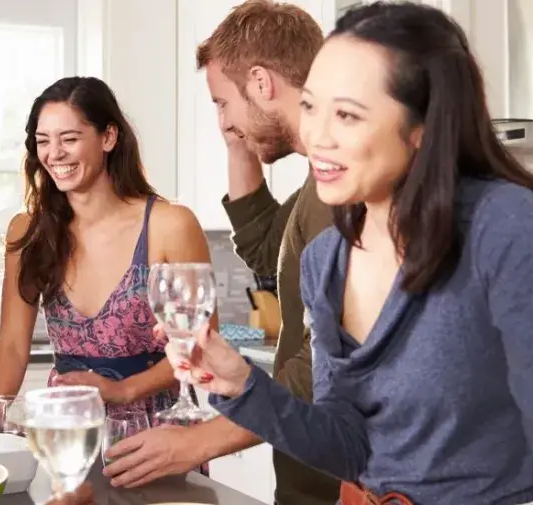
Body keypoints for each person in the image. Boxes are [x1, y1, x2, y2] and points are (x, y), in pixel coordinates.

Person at [176, 4, 533, 504]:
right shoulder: (326, 260)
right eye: (310, 106)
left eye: (348, 115)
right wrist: (242, 384)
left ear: (421, 128)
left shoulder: (499, 223)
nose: (317, 136)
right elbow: (349, 447)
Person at [102, 2, 340, 502]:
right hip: (309, 473)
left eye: (221, 102)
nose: (224, 120)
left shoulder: (343, 186)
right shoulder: (316, 186)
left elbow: (324, 360)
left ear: (261, 83)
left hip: (337, 483)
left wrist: (196, 443)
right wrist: (240, 145)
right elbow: (267, 252)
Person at [0, 76, 211, 421]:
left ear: (108, 137)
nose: (54, 153)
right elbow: (13, 343)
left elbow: (203, 343)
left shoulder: (169, 225)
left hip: (157, 427)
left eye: (70, 139)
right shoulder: (29, 229)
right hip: (68, 426)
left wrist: (124, 390)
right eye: (42, 141)